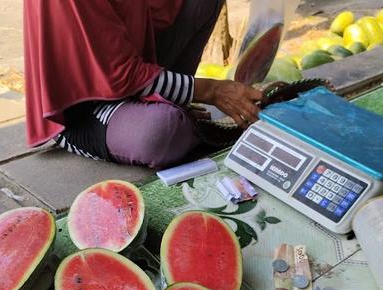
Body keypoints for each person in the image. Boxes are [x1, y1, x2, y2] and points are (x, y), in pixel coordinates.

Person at [24, 0, 263, 169]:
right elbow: (121, 74)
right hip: (81, 107)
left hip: (132, 72)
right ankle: (178, 120)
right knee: (161, 130)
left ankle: (173, 106)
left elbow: (157, 13)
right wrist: (212, 90)